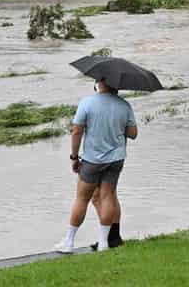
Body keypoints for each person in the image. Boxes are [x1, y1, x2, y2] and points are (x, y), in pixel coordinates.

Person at [55, 79, 137, 253]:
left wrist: (74, 157)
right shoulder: (124, 105)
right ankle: (104, 243)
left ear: (99, 83)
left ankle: (69, 242)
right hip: (116, 160)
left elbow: (77, 131)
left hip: (92, 160)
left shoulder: (87, 103)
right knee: (108, 197)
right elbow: (133, 133)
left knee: (82, 198)